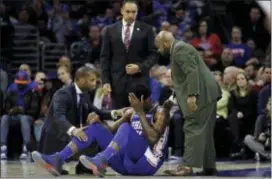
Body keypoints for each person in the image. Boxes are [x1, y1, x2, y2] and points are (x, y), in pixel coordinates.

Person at [31, 84, 173, 177]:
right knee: (95, 128)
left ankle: (100, 160)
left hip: (146, 165)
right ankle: (58, 158)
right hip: (126, 165)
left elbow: (153, 138)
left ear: (142, 99)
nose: (131, 104)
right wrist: (98, 121)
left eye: (133, 100)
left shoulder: (160, 112)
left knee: (125, 127)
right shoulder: (131, 112)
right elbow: (112, 132)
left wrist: (140, 112)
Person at [155, 31, 222, 176]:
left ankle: (187, 167)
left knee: (192, 127)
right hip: (207, 93)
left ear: (166, 43)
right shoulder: (180, 48)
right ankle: (209, 166)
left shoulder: (179, 49)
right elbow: (184, 79)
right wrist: (173, 98)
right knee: (205, 131)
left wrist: (192, 96)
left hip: (201, 94)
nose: (158, 50)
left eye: (159, 46)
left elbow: (192, 72)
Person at [39, 66, 124, 173]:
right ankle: (57, 160)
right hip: (56, 138)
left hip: (68, 135)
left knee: (94, 131)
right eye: (92, 80)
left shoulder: (84, 94)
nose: (95, 83)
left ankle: (84, 167)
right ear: (82, 80)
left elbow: (98, 112)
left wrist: (118, 112)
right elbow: (59, 117)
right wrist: (74, 130)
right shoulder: (63, 93)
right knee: (88, 134)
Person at [101, 0, 157, 109]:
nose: (131, 15)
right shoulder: (110, 30)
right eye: (128, 11)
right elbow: (105, 58)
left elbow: (154, 55)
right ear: (121, 11)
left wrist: (140, 67)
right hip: (117, 84)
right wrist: (106, 81)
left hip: (140, 83)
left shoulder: (147, 30)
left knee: (140, 121)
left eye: (134, 12)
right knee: (119, 120)